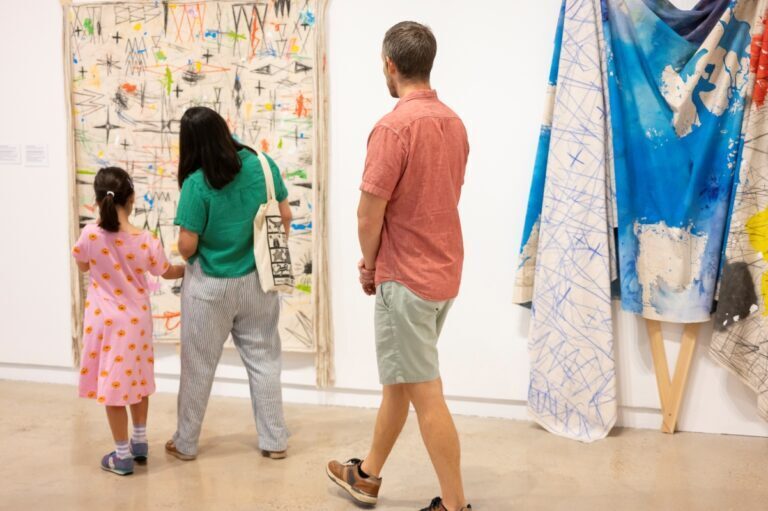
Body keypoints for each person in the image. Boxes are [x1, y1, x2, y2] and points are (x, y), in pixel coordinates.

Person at [326, 21, 472, 511]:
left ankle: (455, 504)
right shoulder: (454, 124)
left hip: (405, 278)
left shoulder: (392, 129)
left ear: (390, 64)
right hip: (442, 272)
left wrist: (370, 266)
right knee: (401, 382)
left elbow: (369, 214)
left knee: (425, 393)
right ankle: (367, 475)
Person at [165, 106, 292, 461]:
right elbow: (284, 215)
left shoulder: (196, 184)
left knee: (198, 367)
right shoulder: (263, 165)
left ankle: (186, 443)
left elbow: (187, 246)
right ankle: (275, 440)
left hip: (209, 289)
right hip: (258, 281)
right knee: (264, 360)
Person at [72, 166, 185, 476]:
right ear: (132, 198)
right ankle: (139, 442)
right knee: (137, 380)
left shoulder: (90, 234)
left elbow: (83, 265)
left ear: (98, 201)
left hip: (105, 323)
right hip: (136, 322)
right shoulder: (146, 239)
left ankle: (121, 456)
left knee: (112, 387)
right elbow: (166, 272)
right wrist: (189, 268)